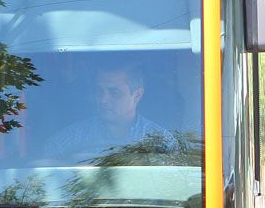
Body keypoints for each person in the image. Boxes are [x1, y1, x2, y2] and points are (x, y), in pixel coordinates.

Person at [43, 64, 178, 158]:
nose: (103, 100)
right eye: (99, 91)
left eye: (114, 92)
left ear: (137, 95)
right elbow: (42, 170)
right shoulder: (73, 137)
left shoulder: (162, 141)